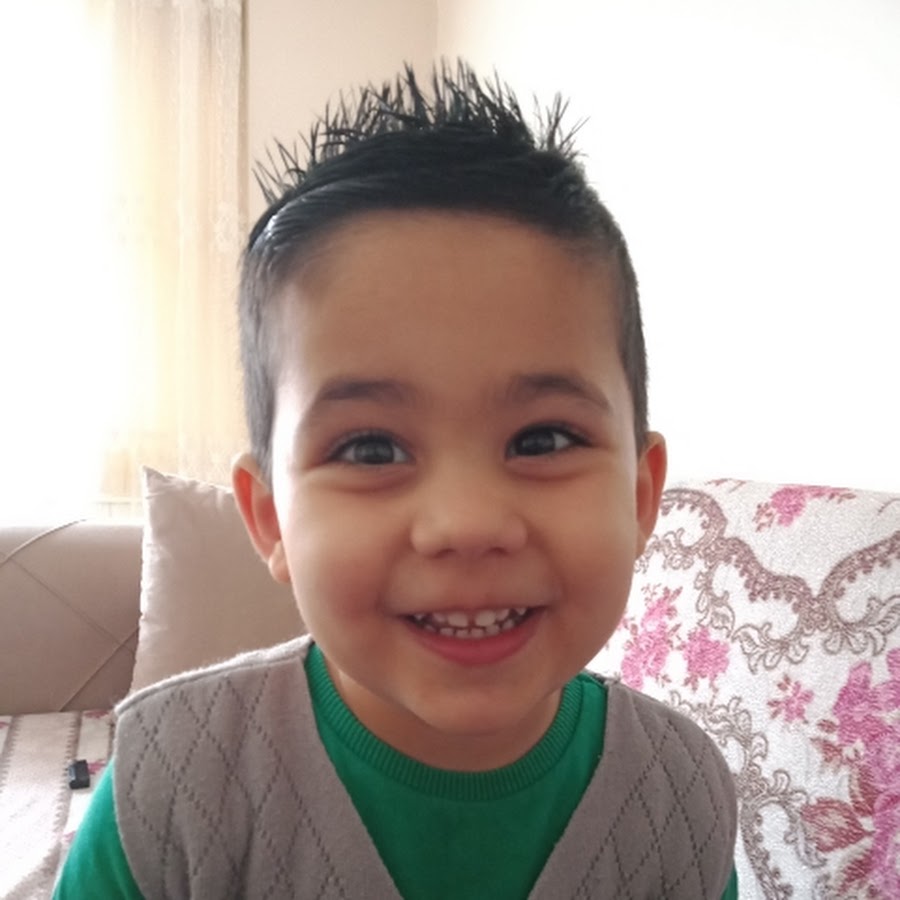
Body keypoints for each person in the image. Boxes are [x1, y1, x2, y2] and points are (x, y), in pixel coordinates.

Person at [55, 61, 738, 898]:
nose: (466, 522)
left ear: (639, 495)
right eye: (372, 450)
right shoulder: (170, 786)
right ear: (269, 519)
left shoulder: (680, 796)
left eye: (543, 439)